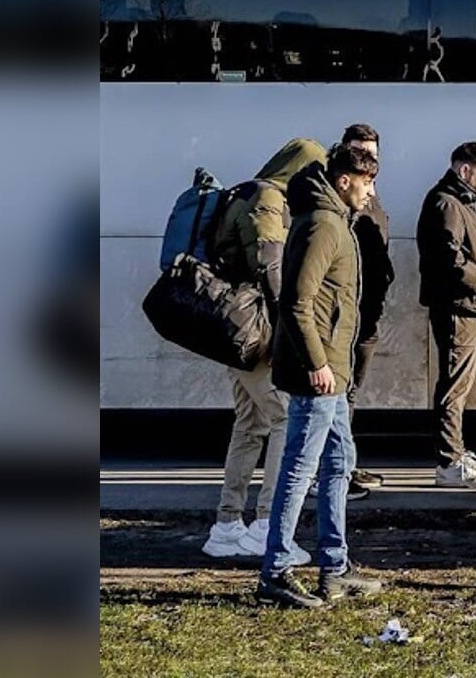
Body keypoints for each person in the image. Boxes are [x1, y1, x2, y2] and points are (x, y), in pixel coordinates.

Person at [255, 147, 383, 608]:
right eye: (367, 181)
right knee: (300, 468)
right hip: (321, 373)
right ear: (345, 181)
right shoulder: (323, 225)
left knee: (339, 462)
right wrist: (317, 363)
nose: (372, 191)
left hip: (333, 372)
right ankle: (276, 571)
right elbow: (296, 301)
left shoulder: (330, 220)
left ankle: (335, 567)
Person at [202, 137, 328, 560]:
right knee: (283, 420)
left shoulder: (244, 191)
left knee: (249, 423)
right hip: (256, 329)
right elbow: (271, 266)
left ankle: (226, 524)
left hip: (233, 329)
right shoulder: (269, 198)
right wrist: (286, 331)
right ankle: (267, 526)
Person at [416, 141, 476, 489]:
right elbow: (451, 260)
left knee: (459, 384)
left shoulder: (456, 202)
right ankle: (449, 462)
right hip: (457, 306)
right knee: (454, 385)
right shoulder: (447, 204)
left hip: (464, 305)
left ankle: (456, 452)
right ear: (464, 170)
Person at [340, 125, 393, 498]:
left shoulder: (371, 200)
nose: (366, 158)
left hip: (366, 313)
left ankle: (344, 464)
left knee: (350, 394)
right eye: (359, 150)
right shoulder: (341, 207)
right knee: (340, 396)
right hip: (349, 315)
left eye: (371, 152)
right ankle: (336, 472)